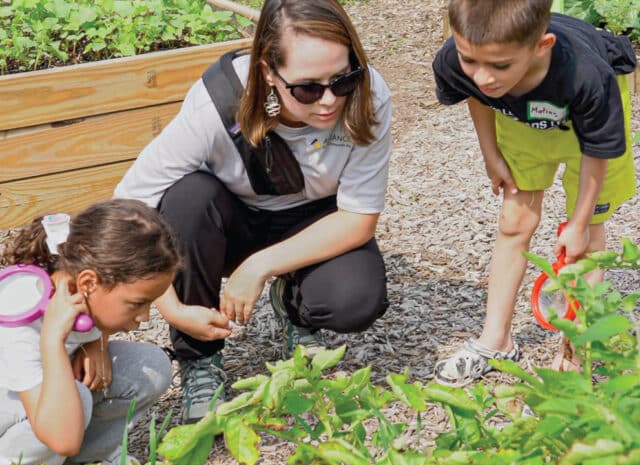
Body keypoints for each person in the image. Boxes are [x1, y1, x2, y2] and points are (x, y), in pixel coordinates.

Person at [114, 0, 392, 423]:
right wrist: (171, 308)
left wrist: (261, 267)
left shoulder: (369, 96)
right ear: (267, 73)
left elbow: (357, 218)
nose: (329, 100)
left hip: (314, 217)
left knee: (355, 300)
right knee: (187, 198)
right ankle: (200, 360)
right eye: (308, 89)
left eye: (344, 78)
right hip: (227, 221)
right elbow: (128, 208)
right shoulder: (217, 106)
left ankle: (295, 307)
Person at [431, 0, 637, 386]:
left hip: (582, 131)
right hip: (523, 116)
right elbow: (475, 94)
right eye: (470, 60)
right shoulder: (460, 62)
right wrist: (491, 155)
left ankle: (579, 352)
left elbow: (597, 151)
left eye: (499, 65)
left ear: (542, 45)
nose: (483, 77)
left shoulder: (587, 76)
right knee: (514, 221)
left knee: (586, 240)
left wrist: (577, 222)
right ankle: (496, 341)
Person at [0, 199, 181, 465]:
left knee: (149, 367)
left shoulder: (73, 284)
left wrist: (99, 340)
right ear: (88, 282)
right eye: (137, 304)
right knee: (75, 400)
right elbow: (64, 439)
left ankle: (91, 458)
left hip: (34, 409)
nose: (144, 317)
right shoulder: (18, 315)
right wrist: (53, 340)